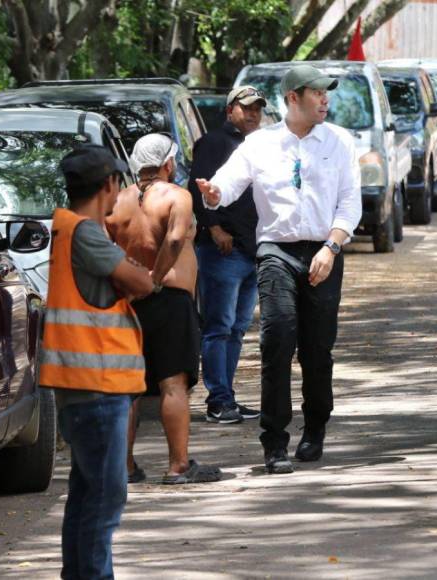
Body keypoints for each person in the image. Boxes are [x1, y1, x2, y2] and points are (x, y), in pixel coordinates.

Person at [196, 64, 362, 474]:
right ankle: (274, 441)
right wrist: (214, 194)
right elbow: (227, 184)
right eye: (317, 92)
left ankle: (316, 427)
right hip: (276, 252)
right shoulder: (261, 144)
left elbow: (349, 203)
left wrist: (331, 246)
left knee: (317, 349)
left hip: (325, 249)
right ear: (293, 98)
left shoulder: (339, 141)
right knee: (277, 342)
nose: (326, 99)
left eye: (327, 93)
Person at [40, 145, 153, 579]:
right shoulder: (85, 233)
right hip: (96, 385)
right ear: (108, 184)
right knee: (105, 501)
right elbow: (139, 280)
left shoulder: (69, 229)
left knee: (87, 498)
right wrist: (134, 271)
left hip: (86, 384)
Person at [106, 133, 222, 485]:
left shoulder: (119, 202)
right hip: (169, 298)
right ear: (168, 164)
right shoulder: (178, 196)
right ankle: (178, 465)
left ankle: (124, 467)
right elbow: (173, 239)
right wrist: (154, 278)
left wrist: (128, 283)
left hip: (130, 303)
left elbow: (102, 245)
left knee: (130, 389)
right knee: (173, 385)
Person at [188, 85, 266, 425]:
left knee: (237, 328)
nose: (252, 114)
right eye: (246, 108)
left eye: (257, 109)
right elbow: (197, 189)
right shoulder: (214, 143)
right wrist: (214, 228)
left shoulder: (260, 146)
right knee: (218, 327)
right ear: (230, 109)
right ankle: (218, 400)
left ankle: (228, 396)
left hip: (252, 249)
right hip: (223, 249)